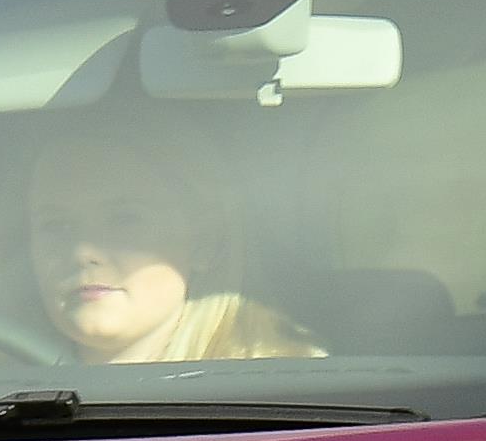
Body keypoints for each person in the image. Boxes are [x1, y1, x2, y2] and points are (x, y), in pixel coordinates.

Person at [24, 131, 321, 364]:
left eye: (124, 219)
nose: (82, 252)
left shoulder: (285, 394)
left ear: (205, 240)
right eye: (56, 225)